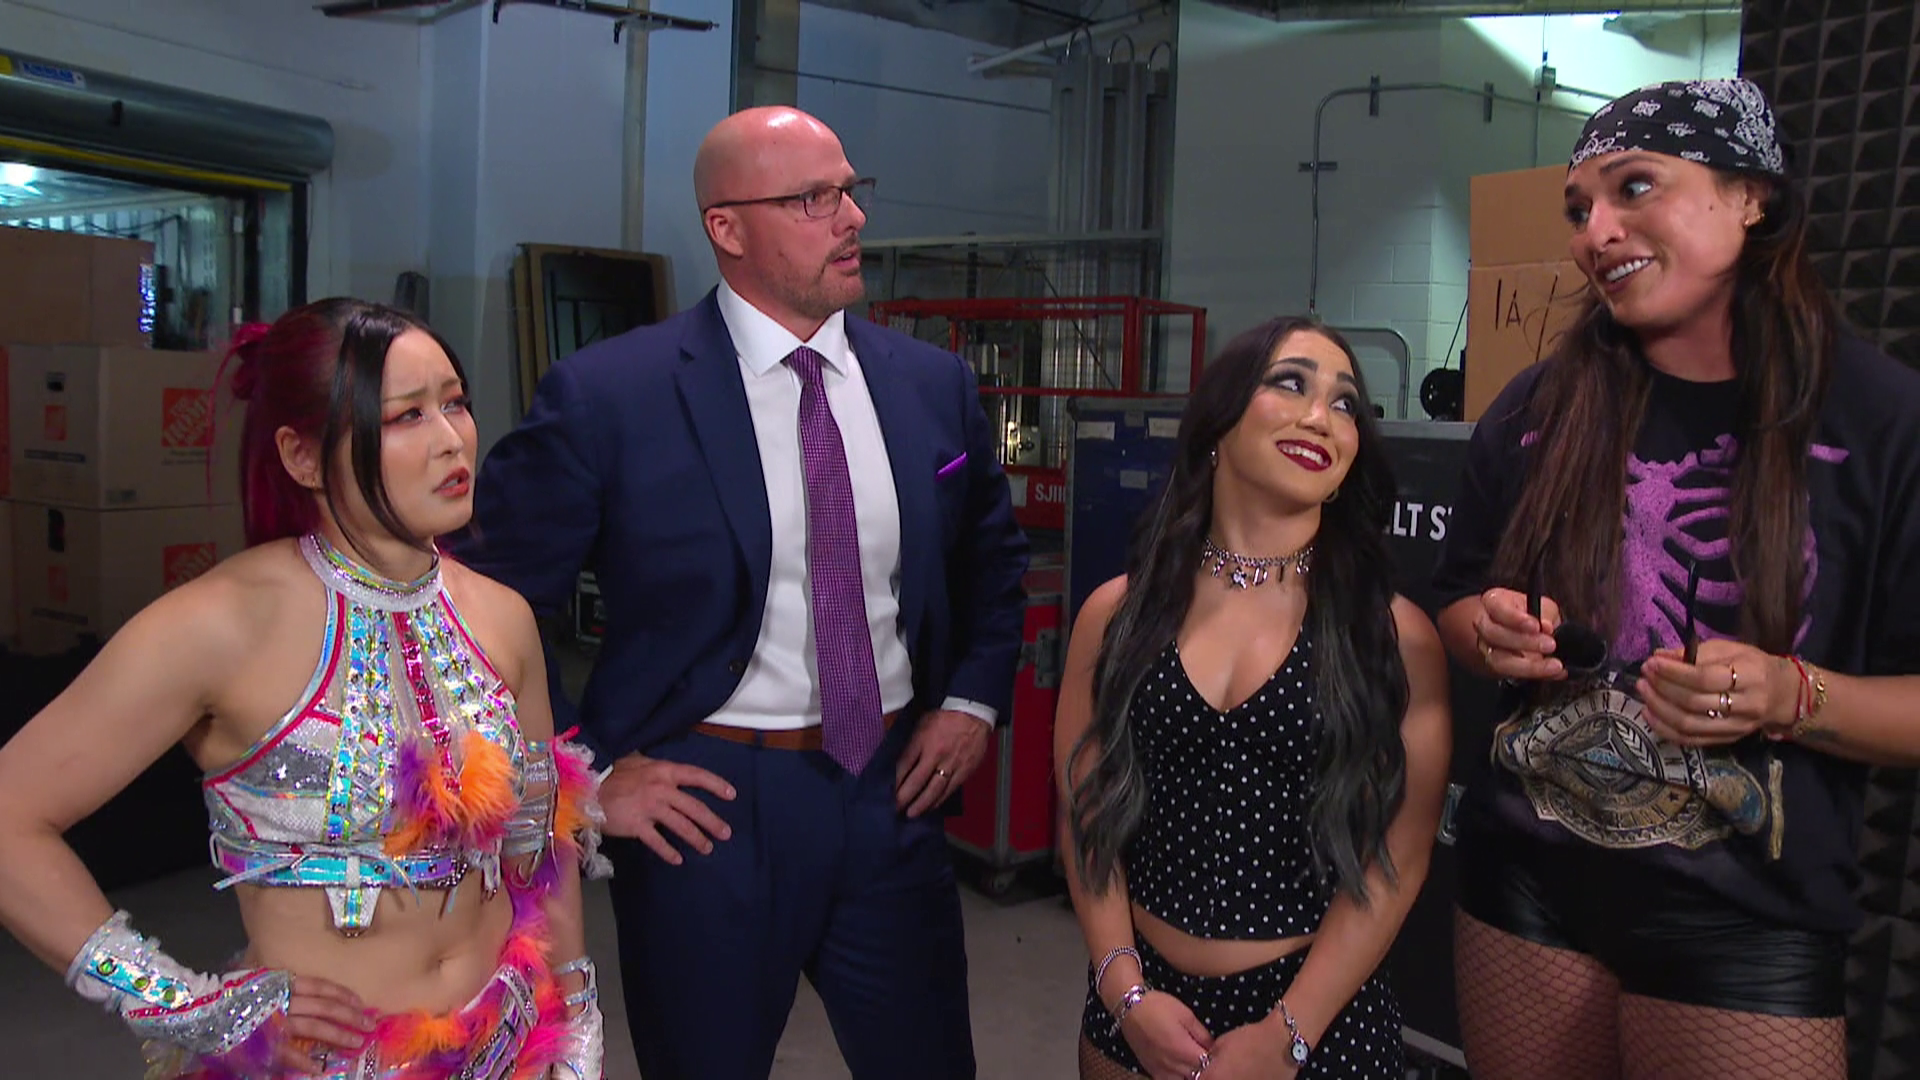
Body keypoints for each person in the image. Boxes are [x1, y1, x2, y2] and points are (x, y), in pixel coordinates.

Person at [448, 105, 1030, 1080]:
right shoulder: (612, 396)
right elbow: (480, 610)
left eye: (851, 191)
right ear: (727, 228)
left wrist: (971, 699)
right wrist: (585, 774)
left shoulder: (930, 384)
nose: (852, 218)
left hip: (889, 793)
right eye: (813, 199)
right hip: (707, 806)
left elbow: (992, 559)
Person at [1432, 78, 1920, 1080]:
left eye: (1635, 187)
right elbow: (1457, 597)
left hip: (1747, 914)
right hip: (1524, 884)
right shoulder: (1536, 407)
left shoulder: (1883, 422)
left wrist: (1791, 695)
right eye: (1579, 210)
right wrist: (1485, 629)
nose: (1596, 233)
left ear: (1752, 196)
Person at [0, 299, 608, 1080]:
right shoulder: (218, 625)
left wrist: (575, 1022)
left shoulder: (505, 617)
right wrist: (188, 1006)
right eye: (406, 416)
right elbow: (11, 817)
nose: (452, 439)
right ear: (303, 457)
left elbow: (541, 843)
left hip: (508, 1046)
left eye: (455, 403)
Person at [1055, 316, 1452, 1080]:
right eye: (1291, 384)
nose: (1320, 416)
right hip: (1137, 1007)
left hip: (1317, 1021)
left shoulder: (1391, 636)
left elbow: (1396, 857)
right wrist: (1124, 993)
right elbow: (1088, 816)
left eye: (1345, 403)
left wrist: (1286, 1035)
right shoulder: (1117, 615)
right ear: (1219, 420)